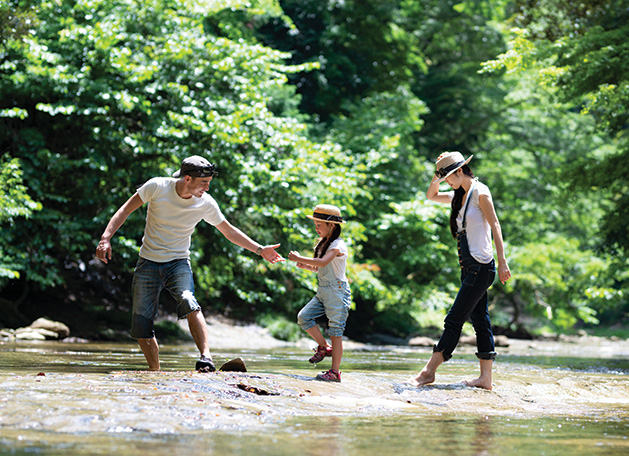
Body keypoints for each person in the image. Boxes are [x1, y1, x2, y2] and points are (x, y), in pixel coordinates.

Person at [95, 155, 284, 372]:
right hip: (148, 263)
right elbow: (125, 209)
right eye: (204, 183)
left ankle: (206, 359)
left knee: (188, 300)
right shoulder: (157, 186)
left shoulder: (205, 203)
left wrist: (260, 250)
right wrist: (105, 238)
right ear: (187, 178)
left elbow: (228, 231)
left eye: (209, 183)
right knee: (140, 325)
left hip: (178, 262)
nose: (207, 188)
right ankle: (154, 372)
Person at [413, 151, 511, 390]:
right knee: (481, 321)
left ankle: (428, 372)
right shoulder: (460, 195)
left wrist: (503, 260)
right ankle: (485, 379)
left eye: (448, 176)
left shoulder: (481, 192)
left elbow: (495, 224)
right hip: (469, 268)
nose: (446, 182)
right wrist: (438, 172)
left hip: (481, 266)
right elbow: (431, 195)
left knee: (454, 319)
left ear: (460, 171)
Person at [288, 204, 351, 383]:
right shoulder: (324, 244)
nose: (316, 228)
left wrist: (299, 258)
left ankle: (335, 372)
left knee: (336, 332)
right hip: (323, 291)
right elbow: (318, 267)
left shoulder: (338, 245)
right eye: (315, 224)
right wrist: (304, 265)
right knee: (304, 317)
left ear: (332, 226)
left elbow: (323, 262)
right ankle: (324, 347)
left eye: (319, 225)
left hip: (337, 292)